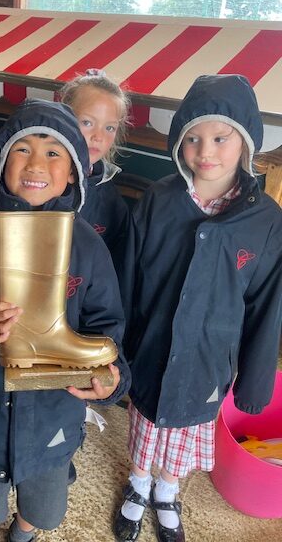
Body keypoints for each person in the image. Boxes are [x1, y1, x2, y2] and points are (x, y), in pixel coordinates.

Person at [0, 98, 131, 542]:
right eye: (23, 149)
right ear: (1, 159)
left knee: (44, 508)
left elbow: (107, 325)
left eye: (54, 153)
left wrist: (111, 377)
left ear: (74, 170)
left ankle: (23, 530)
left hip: (55, 418)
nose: (36, 162)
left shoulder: (88, 247)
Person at [115, 74, 282, 542]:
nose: (205, 151)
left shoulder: (266, 222)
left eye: (220, 137)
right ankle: (138, 485)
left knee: (185, 438)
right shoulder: (158, 199)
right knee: (145, 427)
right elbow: (128, 278)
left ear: (245, 140)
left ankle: (167, 492)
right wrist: (114, 350)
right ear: (178, 142)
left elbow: (267, 306)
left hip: (210, 362)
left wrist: (253, 385)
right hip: (151, 348)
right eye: (192, 138)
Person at [59, 69, 132, 259]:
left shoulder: (111, 200)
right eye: (87, 122)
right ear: (62, 117)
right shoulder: (37, 179)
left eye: (109, 128)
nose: (98, 137)